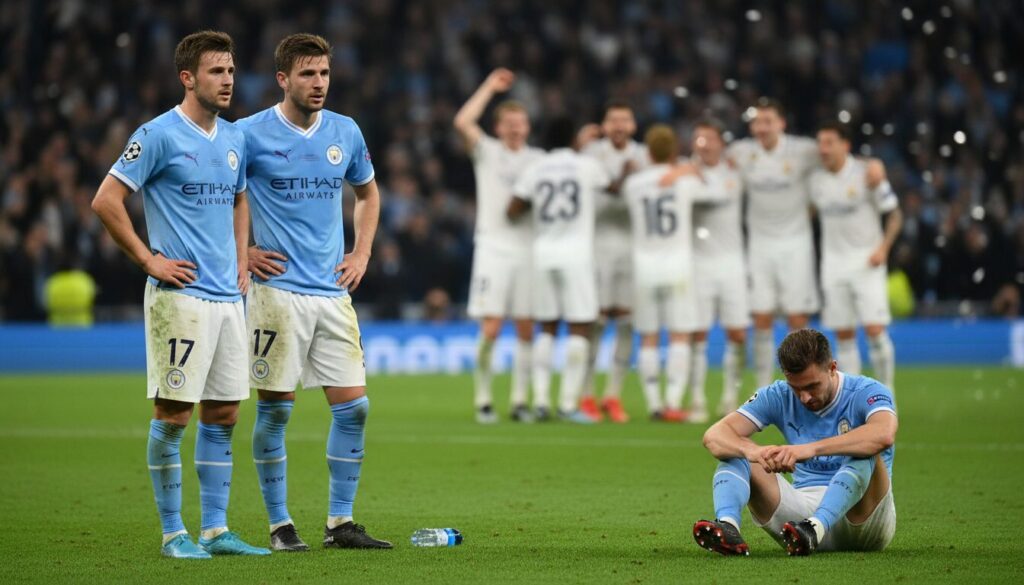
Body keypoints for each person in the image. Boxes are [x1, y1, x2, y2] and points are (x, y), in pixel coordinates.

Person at [91, 30, 268, 558]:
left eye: (232, 70)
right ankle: (173, 534)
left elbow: (240, 199)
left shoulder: (235, 138)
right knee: (173, 415)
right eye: (217, 71)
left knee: (225, 413)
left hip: (227, 299)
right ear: (187, 77)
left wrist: (242, 256)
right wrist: (149, 260)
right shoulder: (158, 134)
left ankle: (216, 530)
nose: (229, 79)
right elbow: (106, 200)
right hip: (180, 298)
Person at [237, 33, 391, 551]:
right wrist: (242, 254)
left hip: (331, 292)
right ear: (283, 79)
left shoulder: (344, 132)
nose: (319, 83)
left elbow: (368, 192)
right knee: (276, 411)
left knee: (355, 407)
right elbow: (220, 196)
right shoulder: (249, 134)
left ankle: (339, 523)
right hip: (276, 294)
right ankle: (280, 526)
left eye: (324, 73)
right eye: (307, 74)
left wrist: (362, 252)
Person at [693, 329, 897, 556]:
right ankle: (728, 527)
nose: (804, 397)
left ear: (832, 368)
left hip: (864, 519)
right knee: (734, 453)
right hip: (798, 522)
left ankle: (817, 526)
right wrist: (753, 451)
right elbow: (714, 435)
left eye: (812, 386)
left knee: (866, 449)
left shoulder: (866, 391)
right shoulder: (778, 394)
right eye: (796, 388)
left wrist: (809, 449)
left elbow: (883, 434)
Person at [454, 68, 544, 424]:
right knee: (491, 327)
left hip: (528, 250)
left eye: (520, 122)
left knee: (525, 327)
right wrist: (489, 86)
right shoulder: (487, 152)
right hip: (493, 248)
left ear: (528, 127)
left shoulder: (539, 160)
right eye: (509, 123)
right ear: (498, 127)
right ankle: (484, 398)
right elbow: (462, 120)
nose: (515, 128)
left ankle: (521, 400)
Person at [507, 117, 609, 423]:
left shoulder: (535, 168)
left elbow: (513, 210)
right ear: (574, 138)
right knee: (580, 325)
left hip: (543, 253)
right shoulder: (585, 165)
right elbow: (611, 186)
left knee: (547, 326)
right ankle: (567, 405)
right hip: (576, 254)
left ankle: (539, 401)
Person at [727, 98, 820, 388]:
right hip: (759, 247)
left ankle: (803, 383)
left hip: (796, 245)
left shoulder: (803, 150)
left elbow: (837, 155)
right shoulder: (741, 152)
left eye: (768, 121)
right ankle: (764, 387)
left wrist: (873, 165)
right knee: (761, 318)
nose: (762, 127)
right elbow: (707, 158)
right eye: (757, 122)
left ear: (781, 123)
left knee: (797, 319)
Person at [625, 125, 713, 421]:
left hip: (644, 267)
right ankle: (673, 402)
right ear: (674, 151)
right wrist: (688, 169)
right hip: (677, 266)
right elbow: (710, 189)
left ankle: (653, 404)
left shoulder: (633, 184)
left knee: (648, 337)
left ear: (648, 152)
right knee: (678, 336)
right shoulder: (685, 182)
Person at [809, 122, 902, 389]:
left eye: (829, 142)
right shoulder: (816, 180)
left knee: (874, 331)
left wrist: (883, 249)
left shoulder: (867, 174)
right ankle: (853, 398)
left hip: (866, 263)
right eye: (820, 143)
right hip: (833, 266)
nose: (822, 149)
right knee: (844, 335)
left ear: (845, 145)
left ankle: (886, 394)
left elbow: (895, 214)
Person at [577, 102, 648, 423]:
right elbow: (598, 198)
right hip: (599, 246)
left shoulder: (645, 155)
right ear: (604, 125)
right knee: (596, 321)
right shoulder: (591, 154)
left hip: (632, 249)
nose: (619, 125)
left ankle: (613, 396)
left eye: (625, 119)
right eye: (613, 119)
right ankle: (587, 394)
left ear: (633, 125)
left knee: (626, 322)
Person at [687, 119, 751, 418]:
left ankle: (729, 397)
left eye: (710, 139)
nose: (705, 144)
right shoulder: (685, 173)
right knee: (696, 335)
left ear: (720, 144)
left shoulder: (735, 173)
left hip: (732, 264)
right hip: (698, 265)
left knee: (737, 335)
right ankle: (697, 400)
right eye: (699, 139)